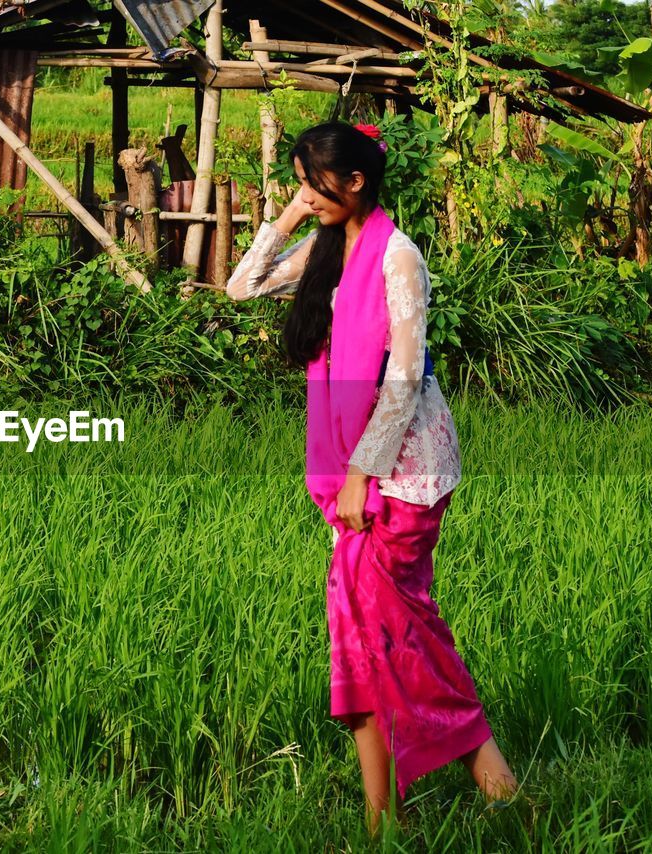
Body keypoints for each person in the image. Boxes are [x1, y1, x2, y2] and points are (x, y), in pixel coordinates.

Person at [226, 121, 518, 834]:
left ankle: (498, 783)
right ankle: (383, 821)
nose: (307, 196)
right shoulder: (327, 247)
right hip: (356, 471)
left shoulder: (398, 255)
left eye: (314, 183)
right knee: (360, 636)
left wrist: (362, 474)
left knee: (399, 635)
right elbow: (241, 287)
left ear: (355, 181)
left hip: (405, 472)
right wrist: (290, 214)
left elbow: (404, 375)